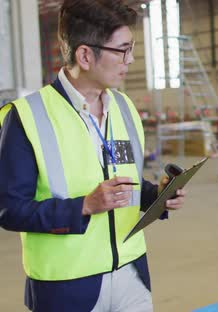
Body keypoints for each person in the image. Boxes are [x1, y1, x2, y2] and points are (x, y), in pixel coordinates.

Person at [0, 1, 187, 311]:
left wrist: (157, 195)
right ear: (85, 55)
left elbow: (121, 184)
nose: (131, 59)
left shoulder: (124, 108)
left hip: (131, 274)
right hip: (67, 286)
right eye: (123, 50)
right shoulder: (27, 117)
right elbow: (9, 210)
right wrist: (84, 206)